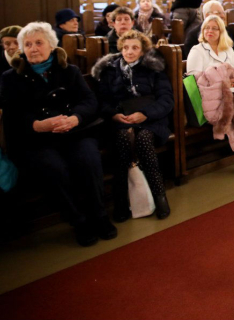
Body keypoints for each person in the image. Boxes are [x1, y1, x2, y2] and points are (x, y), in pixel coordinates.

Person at [0, 22, 116, 246]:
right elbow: (12, 113)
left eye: (39, 43)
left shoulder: (68, 71)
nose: (33, 48)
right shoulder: (10, 77)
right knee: (53, 168)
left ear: (51, 46)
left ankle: (99, 214)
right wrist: (37, 125)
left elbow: (89, 101)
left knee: (89, 159)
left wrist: (75, 118)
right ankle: (78, 220)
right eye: (28, 44)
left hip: (73, 132)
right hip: (36, 140)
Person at [93, 30, 172, 221]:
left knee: (143, 140)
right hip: (122, 119)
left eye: (135, 48)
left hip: (150, 119)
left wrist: (145, 114)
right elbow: (102, 101)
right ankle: (120, 200)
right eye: (126, 48)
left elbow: (166, 100)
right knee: (121, 140)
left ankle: (159, 195)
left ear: (142, 51)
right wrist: (113, 115)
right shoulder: (110, 70)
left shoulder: (153, 69)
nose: (129, 52)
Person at [186, 15, 234, 175]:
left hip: (231, 92)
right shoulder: (197, 50)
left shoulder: (226, 49)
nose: (210, 31)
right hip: (211, 96)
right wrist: (226, 82)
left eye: (214, 28)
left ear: (221, 32)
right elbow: (195, 78)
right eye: (207, 28)